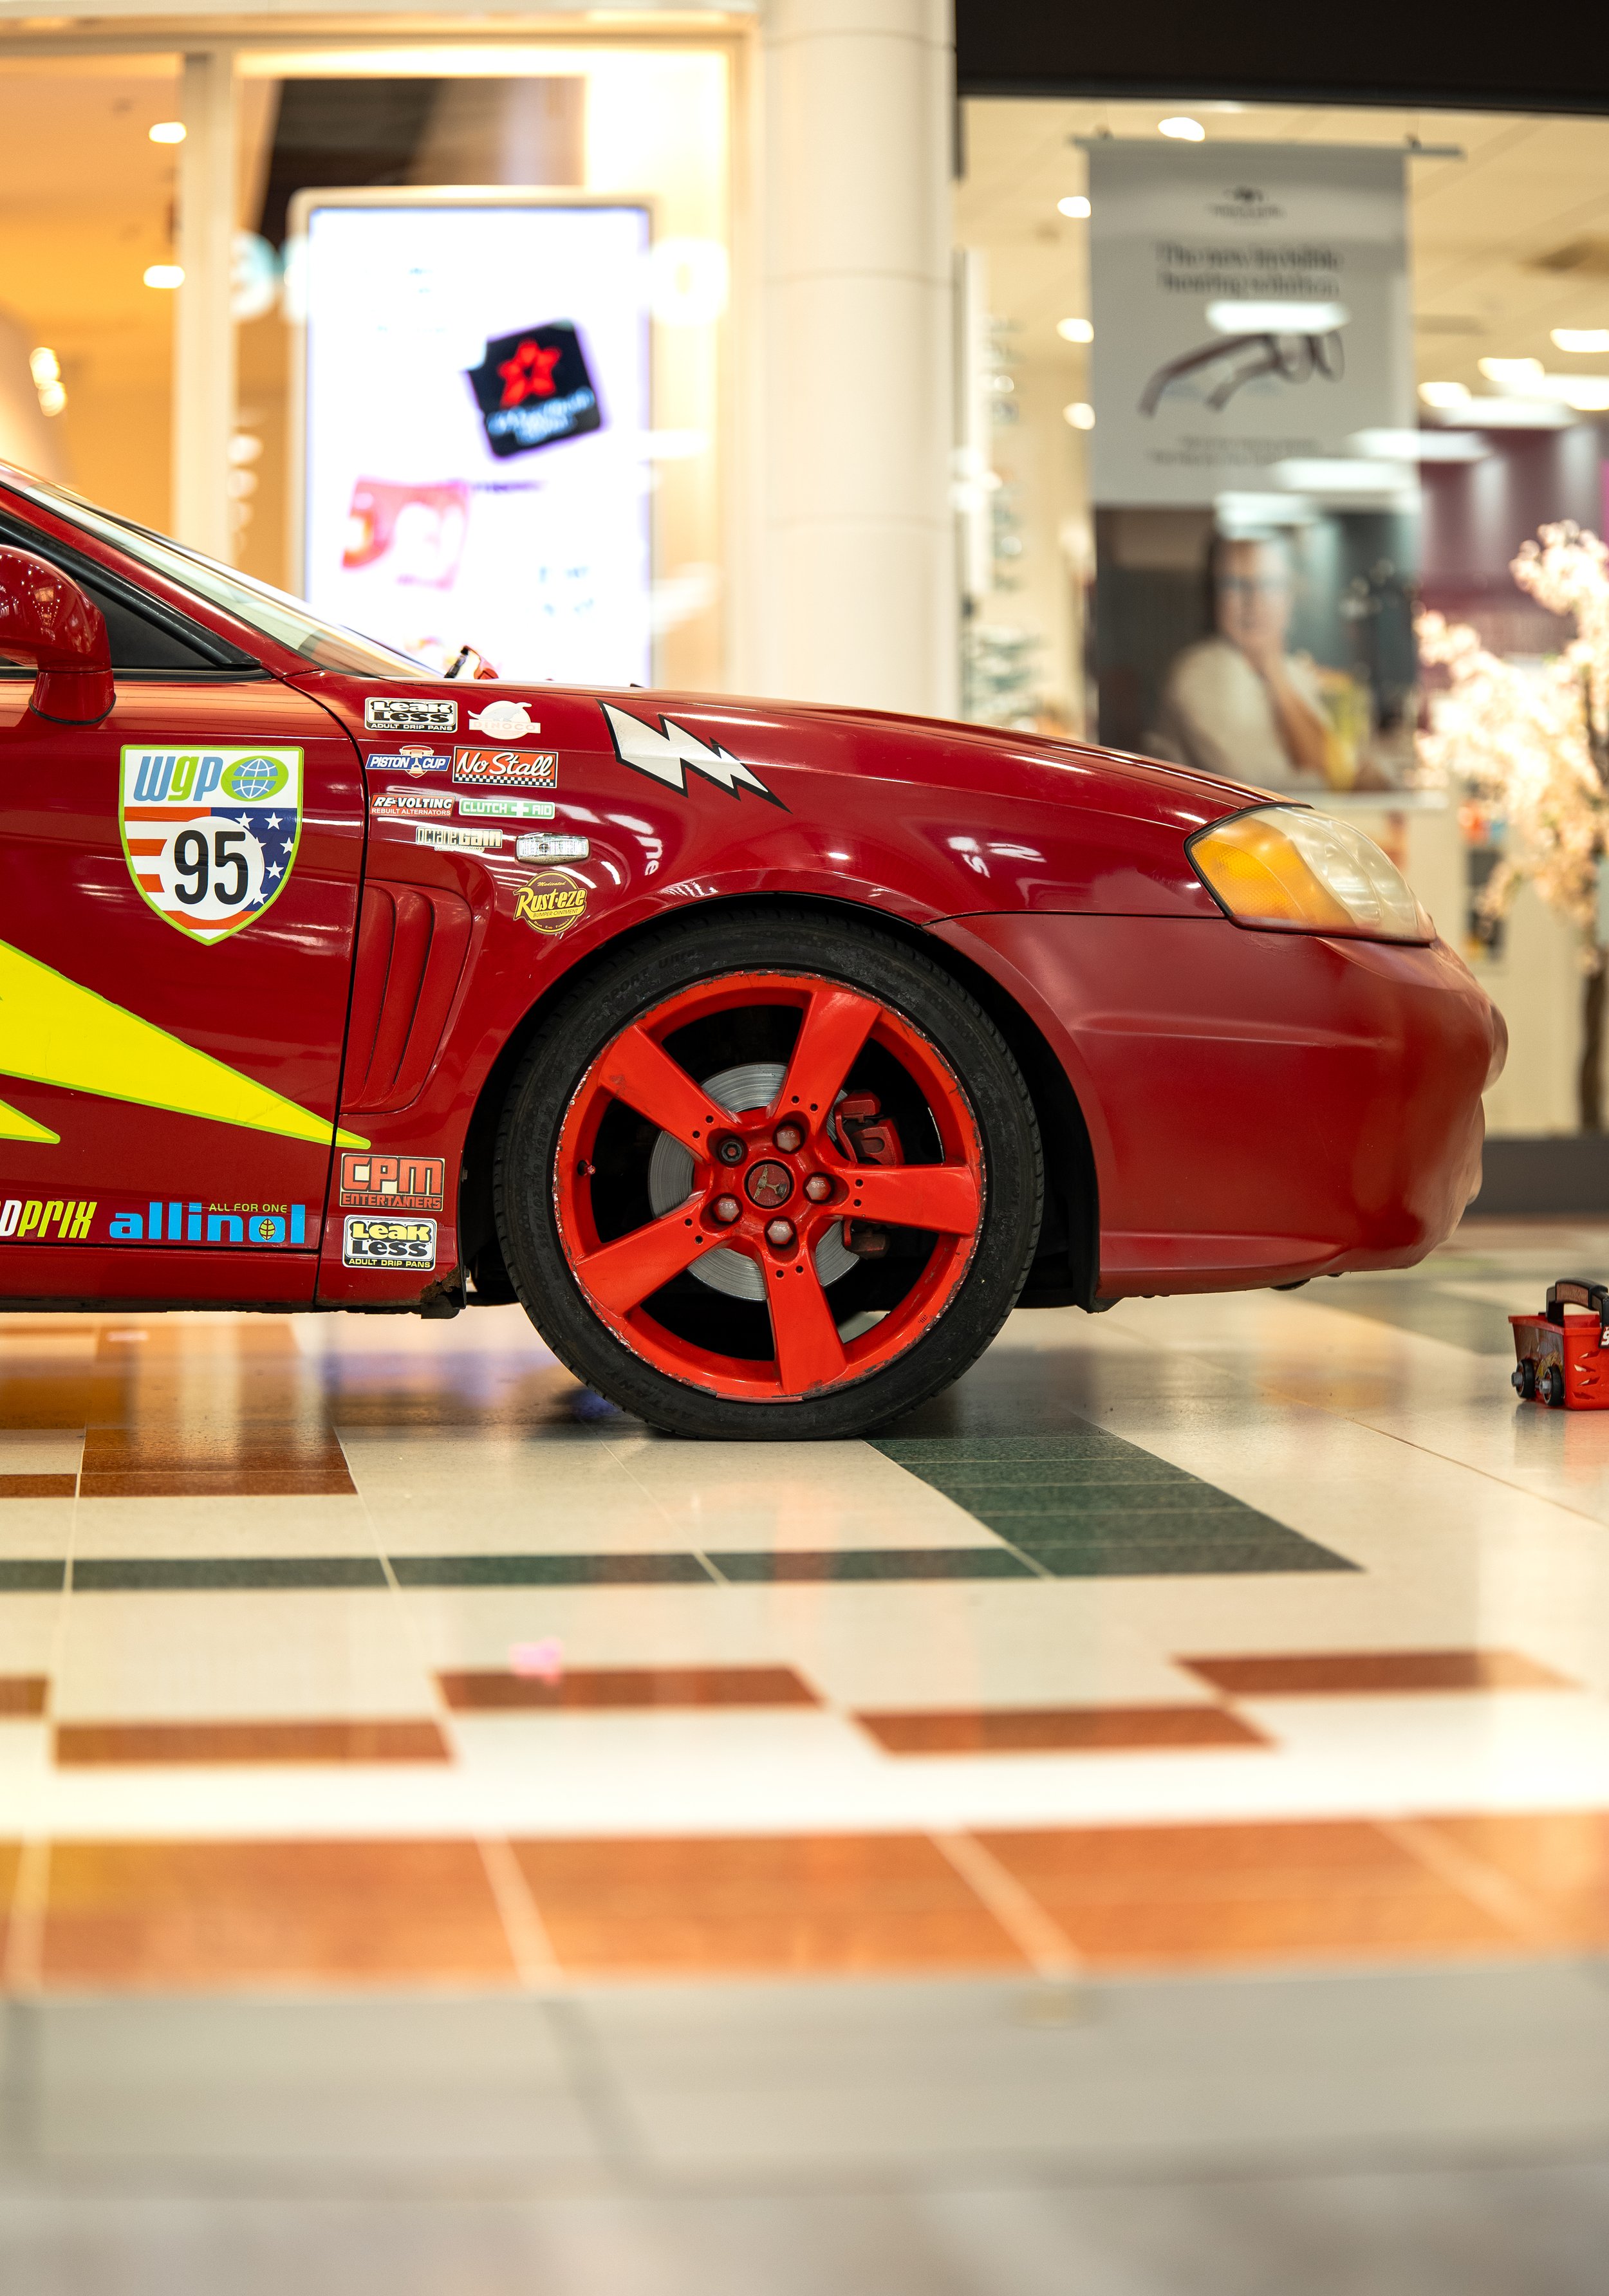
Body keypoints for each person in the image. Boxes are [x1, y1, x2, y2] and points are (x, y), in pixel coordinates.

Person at [1153, 535, 1335, 789]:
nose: (1254, 601)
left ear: (1290, 597)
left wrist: (1274, 671)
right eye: (1235, 584)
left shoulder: (1292, 670)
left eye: (1269, 584)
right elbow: (1259, 787)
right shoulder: (1199, 675)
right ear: (1213, 599)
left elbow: (1329, 762)